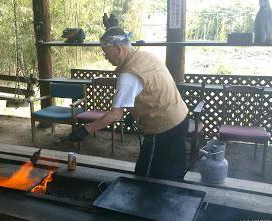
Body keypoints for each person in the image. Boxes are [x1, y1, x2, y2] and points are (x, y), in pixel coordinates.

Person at [69, 26, 189, 180]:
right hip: (181, 118)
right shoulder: (145, 56)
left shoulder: (129, 74)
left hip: (163, 128)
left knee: (146, 176)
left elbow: (115, 114)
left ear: (118, 48)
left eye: (107, 53)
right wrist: (134, 113)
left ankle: (146, 202)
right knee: (173, 173)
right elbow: (148, 88)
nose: (106, 58)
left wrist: (85, 130)